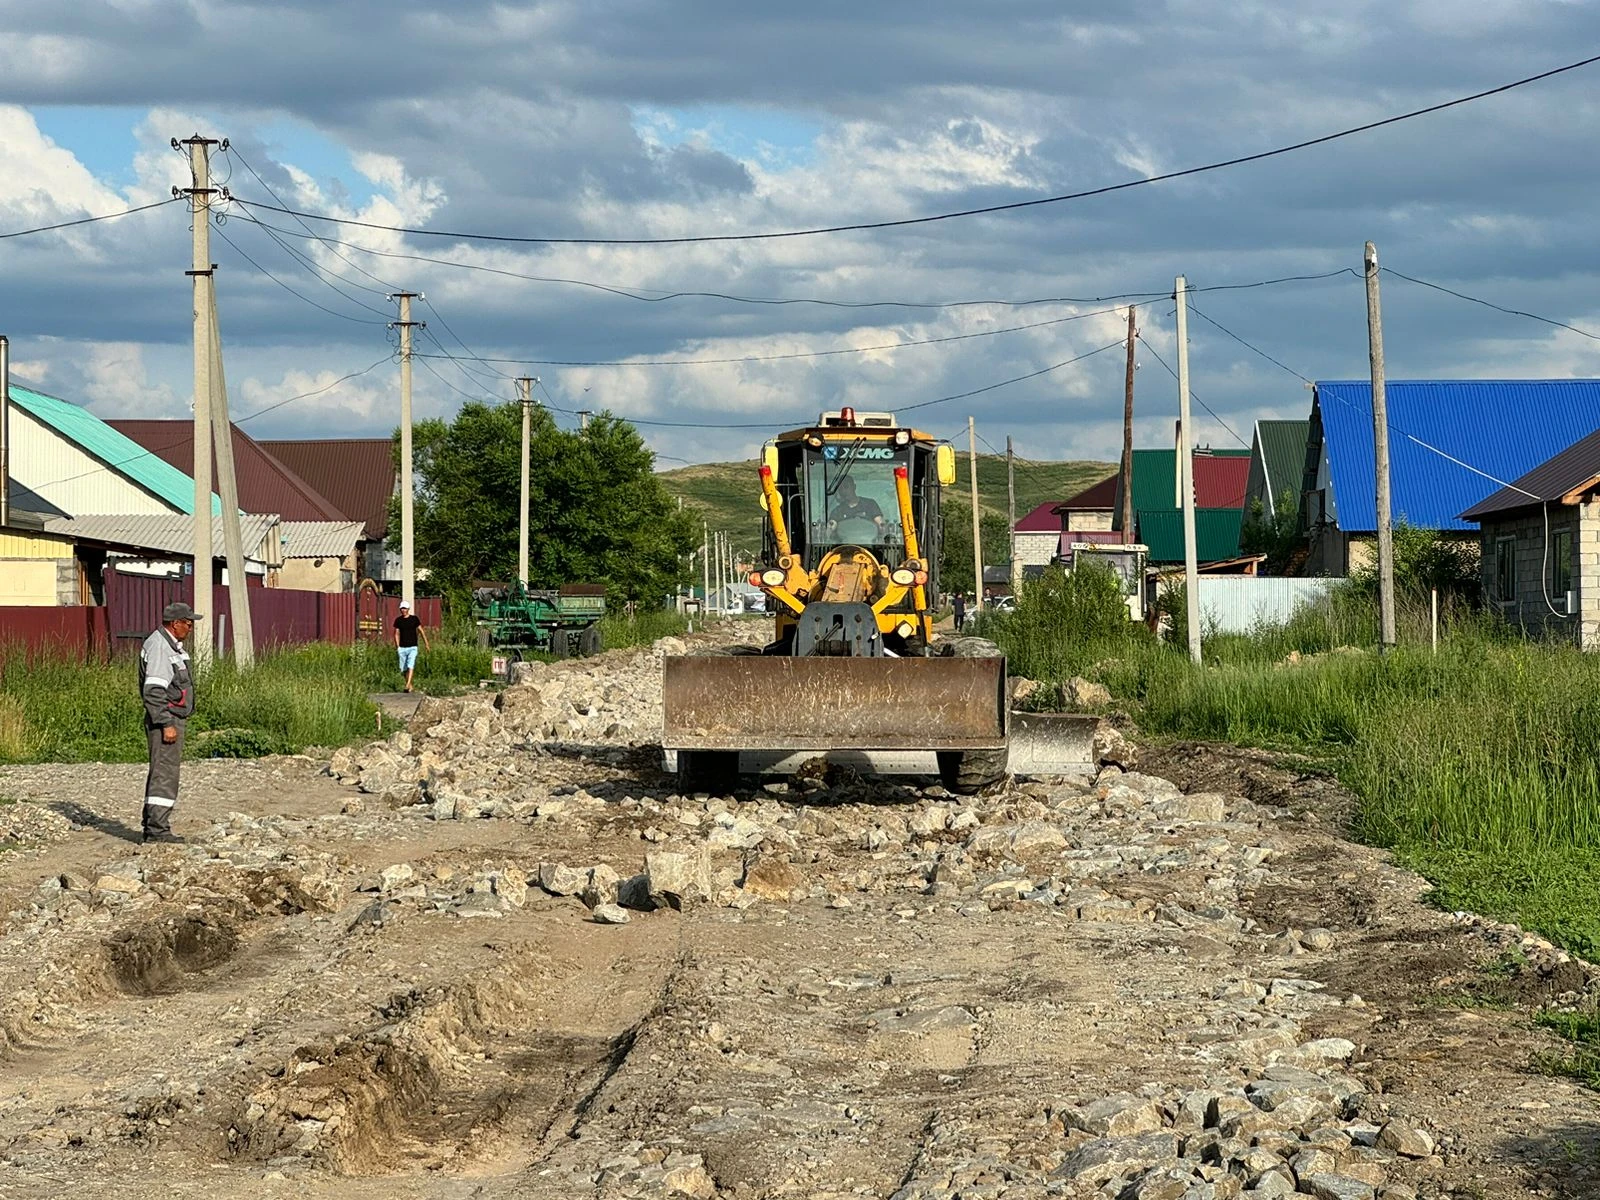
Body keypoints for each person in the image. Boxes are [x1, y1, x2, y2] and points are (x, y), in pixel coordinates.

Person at [139, 601, 200, 845]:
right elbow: (154, 690)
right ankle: (157, 831)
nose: (190, 628)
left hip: (171, 717)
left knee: (163, 772)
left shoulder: (169, 645)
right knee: (164, 774)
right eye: (188, 623)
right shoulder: (160, 647)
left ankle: (153, 826)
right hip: (167, 719)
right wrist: (166, 723)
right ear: (175, 623)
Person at [393, 601, 430, 693]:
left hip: (413, 647)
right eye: (402, 608)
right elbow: (396, 634)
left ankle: (407, 685)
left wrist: (426, 643)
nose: (403, 610)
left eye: (405, 608)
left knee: (411, 665)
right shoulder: (398, 621)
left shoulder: (414, 619)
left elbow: (421, 631)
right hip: (402, 647)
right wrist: (398, 646)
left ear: (408, 609)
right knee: (404, 668)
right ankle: (410, 685)